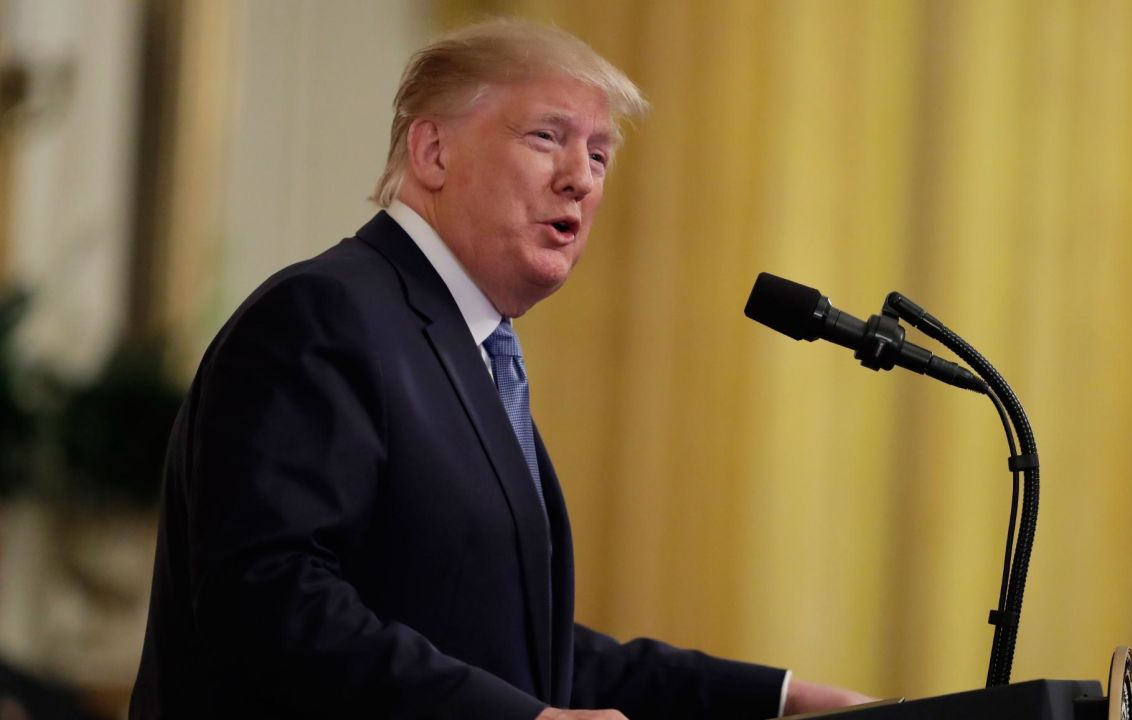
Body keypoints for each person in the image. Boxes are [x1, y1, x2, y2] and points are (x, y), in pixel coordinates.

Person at [130, 18, 872, 720]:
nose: (580, 177)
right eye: (547, 137)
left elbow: (521, 655)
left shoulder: (471, 350)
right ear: (433, 153)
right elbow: (268, 603)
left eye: (600, 154)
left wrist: (781, 699)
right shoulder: (326, 315)